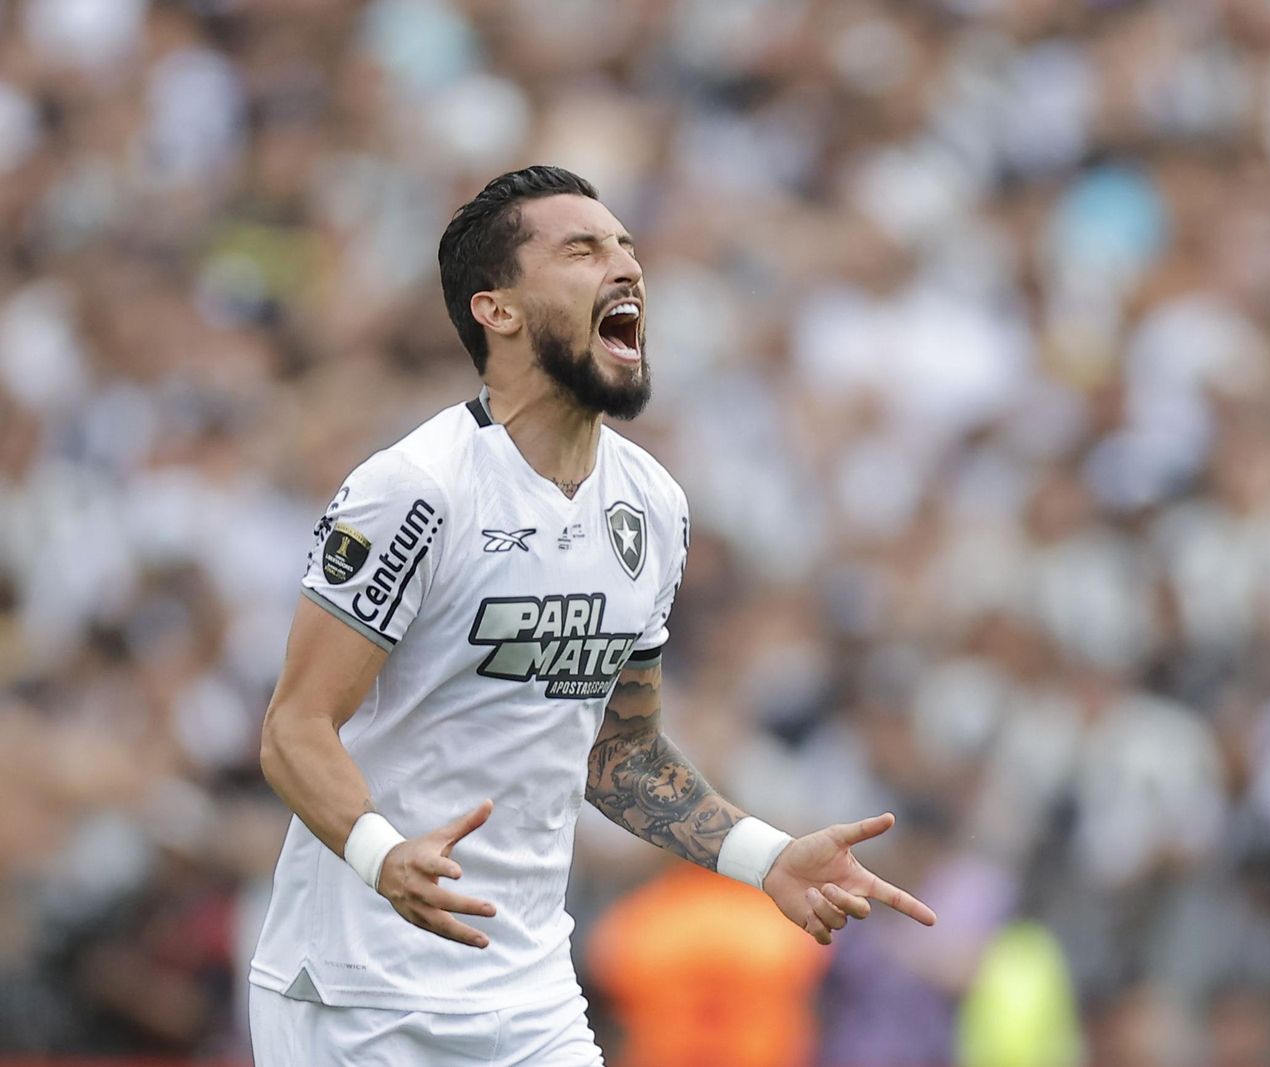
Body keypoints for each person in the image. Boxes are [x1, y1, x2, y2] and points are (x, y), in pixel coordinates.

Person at [246, 165, 937, 1065]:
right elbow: (294, 728)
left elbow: (620, 754)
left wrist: (763, 855)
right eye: (583, 249)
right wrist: (383, 855)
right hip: (358, 995)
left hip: (531, 997)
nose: (626, 267)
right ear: (497, 310)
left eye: (627, 247)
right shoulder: (413, 492)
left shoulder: (653, 505)